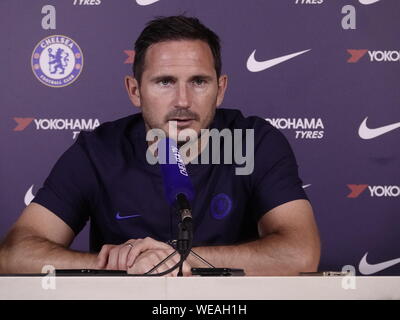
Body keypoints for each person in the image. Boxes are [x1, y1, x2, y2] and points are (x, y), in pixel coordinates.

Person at [0, 16, 320, 276]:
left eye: (199, 81)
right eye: (164, 82)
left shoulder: (255, 142)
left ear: (220, 90)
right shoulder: (97, 151)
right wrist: (120, 266)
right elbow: (15, 255)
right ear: (135, 90)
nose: (183, 101)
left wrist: (179, 258)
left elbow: (300, 252)